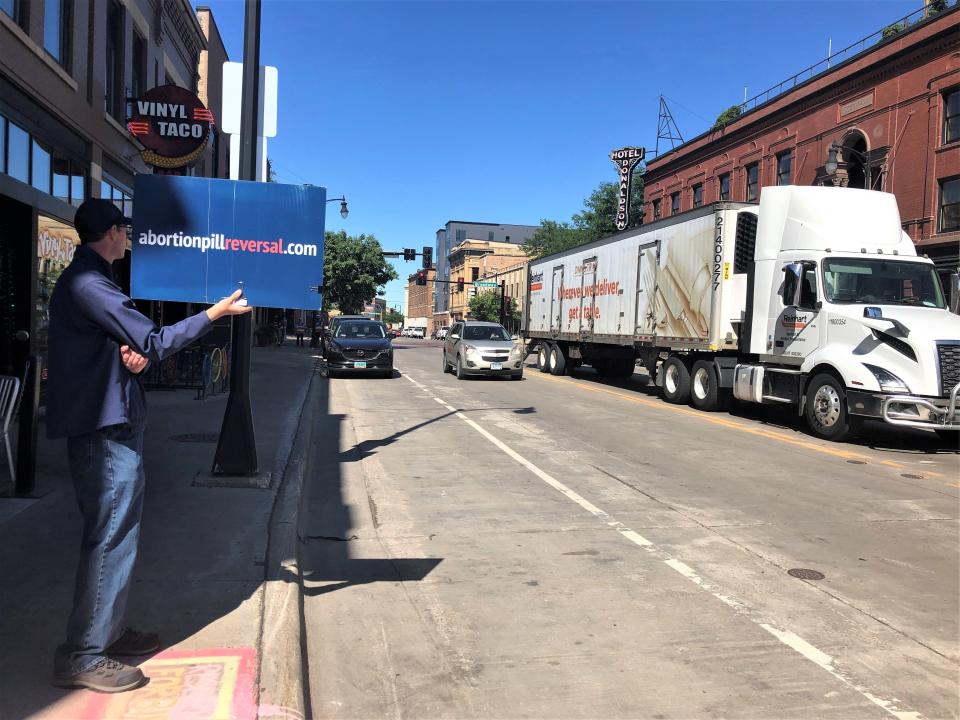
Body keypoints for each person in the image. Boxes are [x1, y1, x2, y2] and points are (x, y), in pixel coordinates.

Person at [46, 198, 252, 693]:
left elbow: (126, 349)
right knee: (110, 538)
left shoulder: (91, 282)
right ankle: (84, 654)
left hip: (110, 420)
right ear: (113, 233)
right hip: (105, 429)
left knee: (116, 535)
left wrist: (128, 358)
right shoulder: (90, 284)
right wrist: (214, 313)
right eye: (124, 230)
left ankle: (105, 632)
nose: (127, 238)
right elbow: (156, 341)